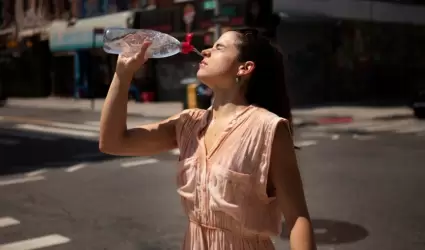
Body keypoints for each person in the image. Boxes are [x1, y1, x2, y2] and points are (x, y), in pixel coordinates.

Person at [99, 29, 316, 250]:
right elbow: (113, 142)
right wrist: (122, 75)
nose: (205, 51)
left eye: (219, 47)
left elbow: (297, 218)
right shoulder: (187, 123)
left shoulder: (268, 128)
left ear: (245, 68)